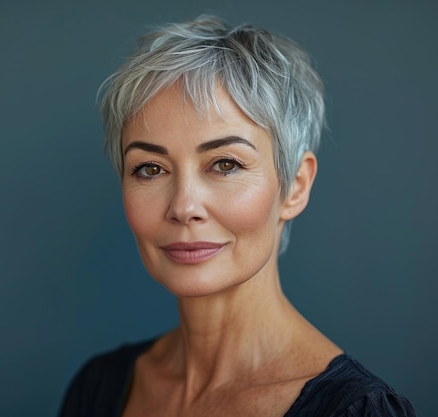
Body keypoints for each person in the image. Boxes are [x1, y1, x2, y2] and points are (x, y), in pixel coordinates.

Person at [59, 15, 416, 417]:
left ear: (295, 186)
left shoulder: (353, 410)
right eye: (151, 168)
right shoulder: (98, 388)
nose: (183, 207)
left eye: (225, 164)